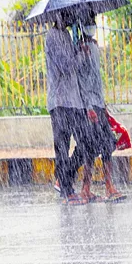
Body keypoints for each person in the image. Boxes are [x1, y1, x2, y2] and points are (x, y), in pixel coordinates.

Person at [76, 13, 126, 203]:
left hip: (97, 103)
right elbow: (82, 80)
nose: (92, 27)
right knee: (91, 149)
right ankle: (88, 189)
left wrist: (102, 105)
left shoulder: (94, 47)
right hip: (89, 106)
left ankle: (107, 186)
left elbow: (96, 79)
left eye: (93, 23)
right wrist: (89, 107)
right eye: (88, 24)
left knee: (106, 147)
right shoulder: (81, 50)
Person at [45, 12, 90, 206]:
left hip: (73, 101)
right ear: (61, 15)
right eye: (70, 15)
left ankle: (64, 177)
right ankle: (66, 189)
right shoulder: (53, 36)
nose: (73, 18)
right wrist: (80, 54)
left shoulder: (66, 34)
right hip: (60, 101)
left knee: (87, 143)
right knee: (62, 147)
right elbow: (65, 66)